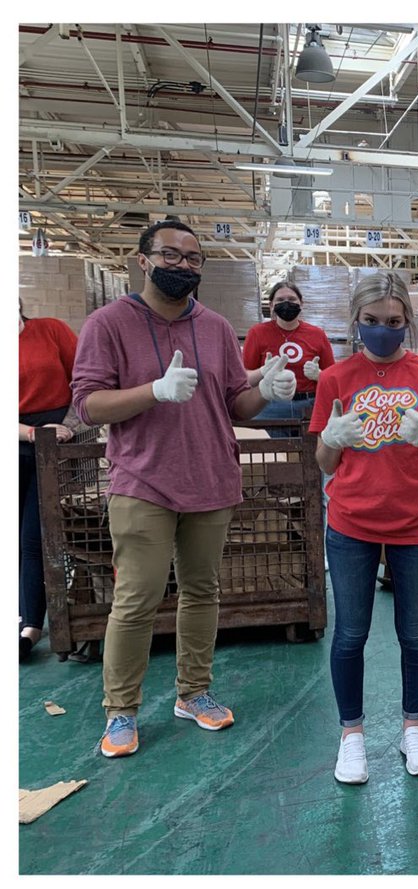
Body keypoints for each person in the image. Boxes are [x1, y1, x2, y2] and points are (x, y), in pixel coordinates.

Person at [71, 220, 298, 758]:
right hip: (142, 480)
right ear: (143, 260)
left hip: (210, 477)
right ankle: (121, 710)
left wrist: (266, 388)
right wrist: (153, 390)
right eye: (171, 255)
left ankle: (193, 692)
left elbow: (236, 403)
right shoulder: (108, 324)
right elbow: (88, 405)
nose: (183, 266)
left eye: (194, 259)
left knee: (202, 590)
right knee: (137, 598)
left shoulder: (215, 328)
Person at [309, 271, 418, 784]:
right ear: (356, 320)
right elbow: (325, 463)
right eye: (372, 320)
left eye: (394, 322)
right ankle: (351, 735)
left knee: (415, 633)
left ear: (407, 323)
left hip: (414, 523)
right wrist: (332, 438)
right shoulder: (335, 379)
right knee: (350, 633)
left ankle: (412, 728)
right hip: (351, 523)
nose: (383, 330)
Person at [18, 299, 82, 661]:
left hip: (52, 444)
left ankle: (31, 624)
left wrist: (69, 424)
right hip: (21, 437)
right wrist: (31, 433)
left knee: (34, 536)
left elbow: (85, 379)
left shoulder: (50, 331)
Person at [243, 281, 335, 438]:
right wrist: (262, 372)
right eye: (280, 300)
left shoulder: (317, 334)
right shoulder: (257, 333)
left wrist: (319, 375)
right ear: (271, 305)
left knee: (312, 451)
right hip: (270, 406)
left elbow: (334, 378)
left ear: (301, 303)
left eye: (292, 299)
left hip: (309, 406)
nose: (286, 303)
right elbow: (244, 377)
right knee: (271, 451)